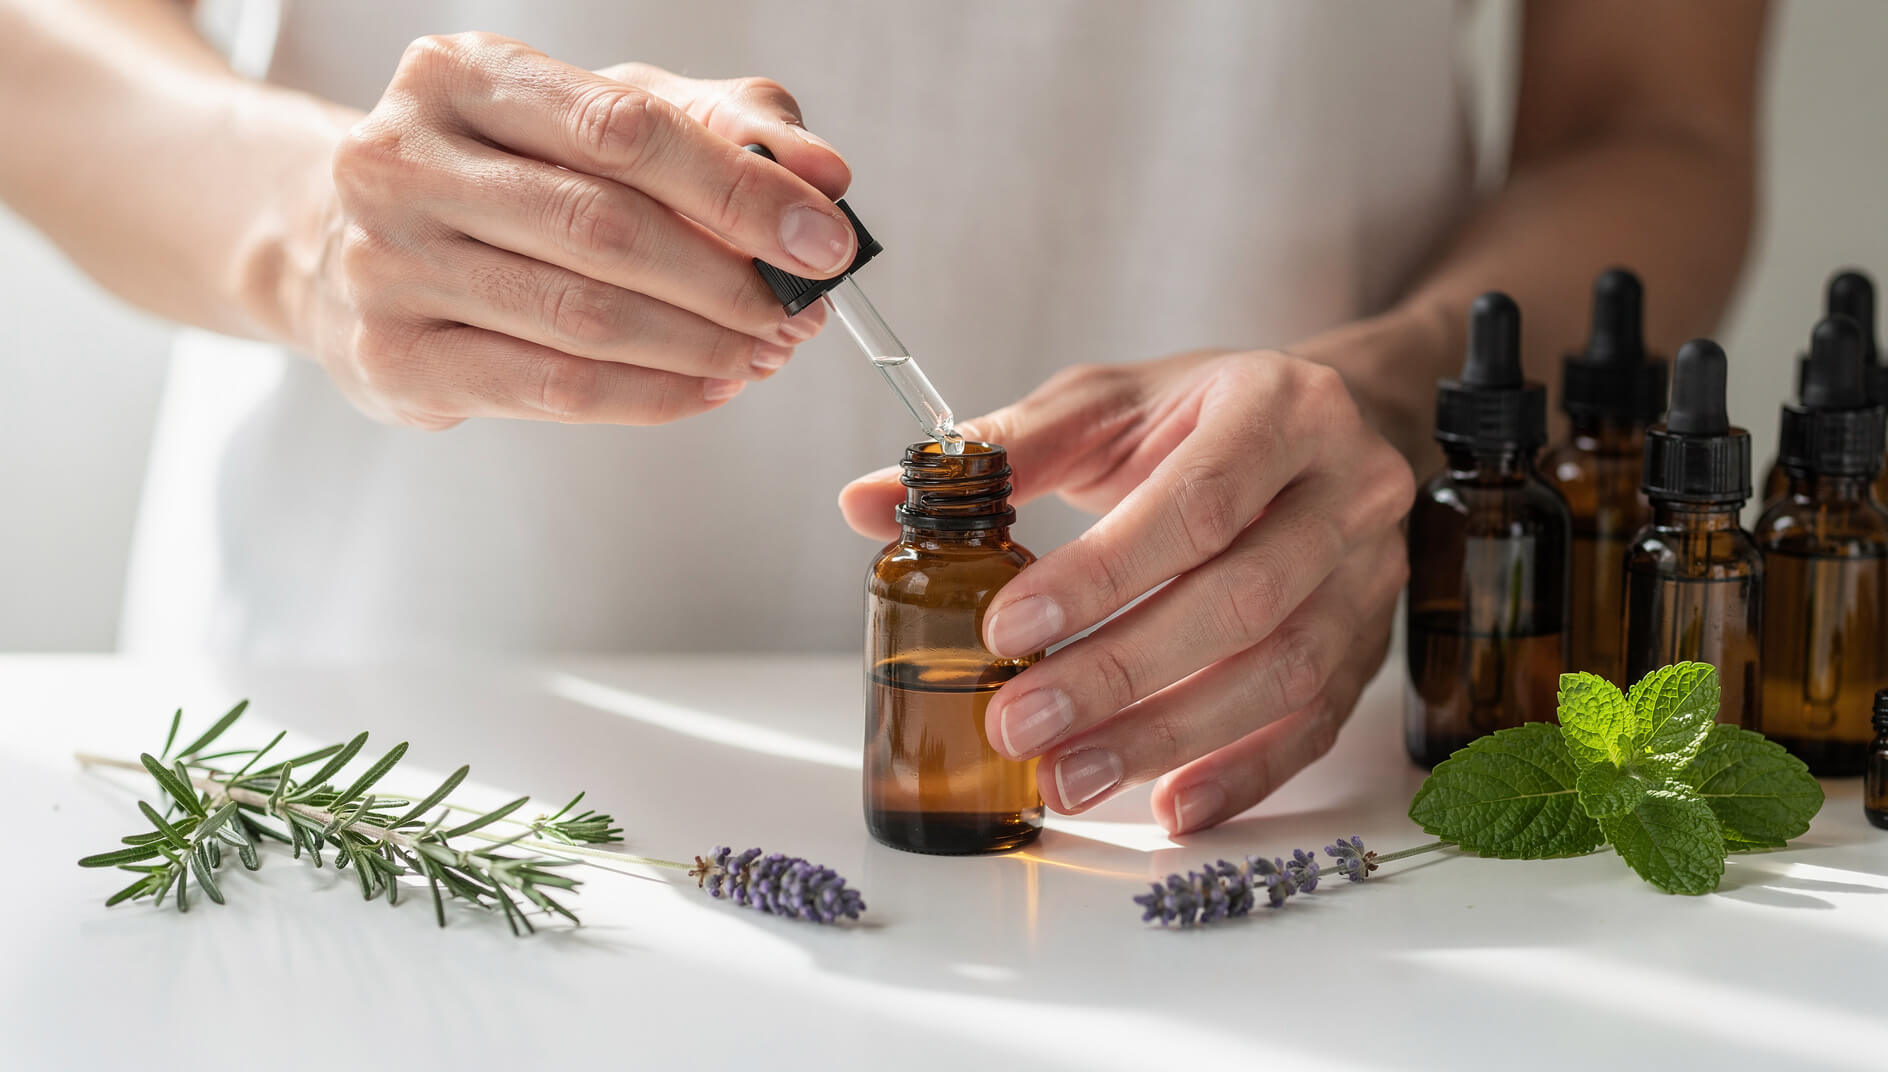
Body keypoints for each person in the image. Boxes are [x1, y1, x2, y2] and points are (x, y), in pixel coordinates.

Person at [0, 0, 1766, 834]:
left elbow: (1655, 126)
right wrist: (312, 226)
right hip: (382, 743)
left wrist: (1392, 394)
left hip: (1248, 783)